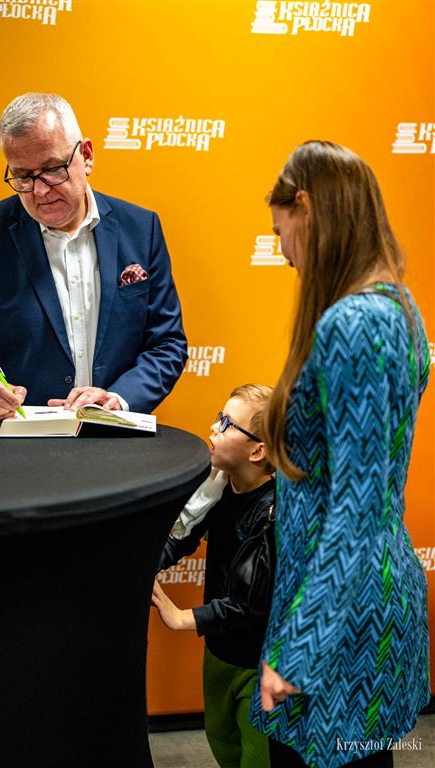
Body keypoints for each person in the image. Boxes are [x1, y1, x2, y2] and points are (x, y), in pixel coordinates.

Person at [248, 141, 431, 768]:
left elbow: (357, 509)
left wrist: (300, 649)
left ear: (306, 207)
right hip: (355, 604)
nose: (283, 250)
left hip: (338, 623)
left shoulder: (354, 325)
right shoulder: (395, 307)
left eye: (282, 231)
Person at [0, 92, 187, 421]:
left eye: (52, 169)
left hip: (115, 436)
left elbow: (167, 344)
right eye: (23, 176)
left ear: (86, 155)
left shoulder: (141, 228)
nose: (40, 190)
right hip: (19, 442)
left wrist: (118, 400)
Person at [152, 384, 275, 768]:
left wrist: (181, 618)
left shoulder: (273, 513)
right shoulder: (218, 486)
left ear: (257, 451)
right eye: (219, 417)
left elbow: (250, 603)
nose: (213, 428)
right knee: (222, 742)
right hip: (219, 652)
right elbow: (182, 537)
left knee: (257, 757)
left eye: (227, 424)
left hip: (259, 664)